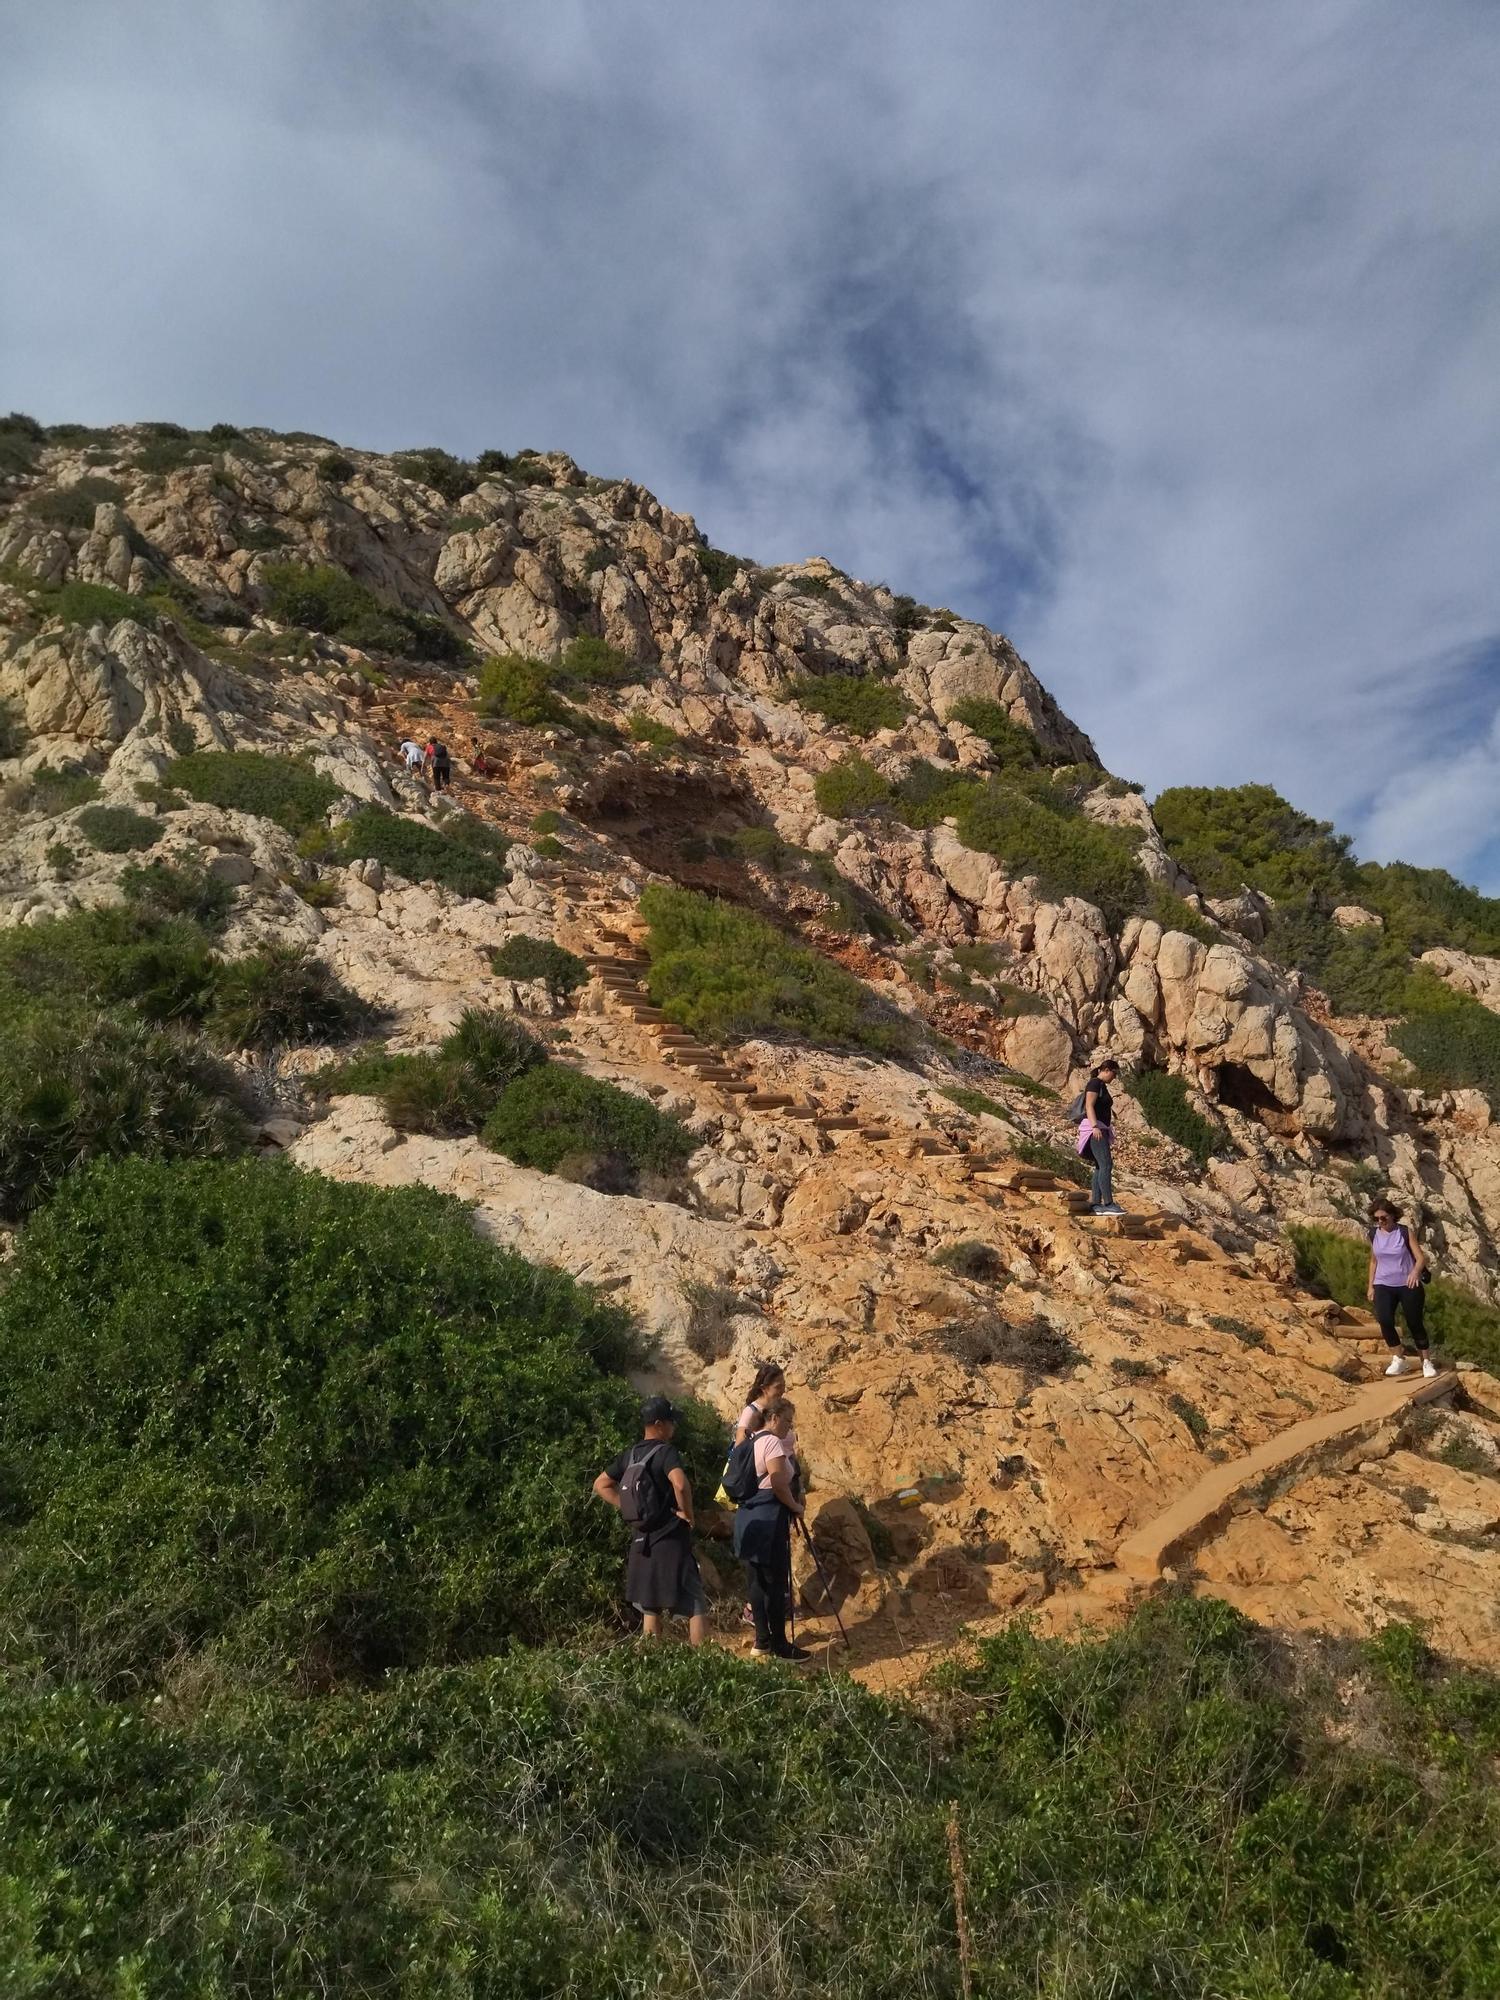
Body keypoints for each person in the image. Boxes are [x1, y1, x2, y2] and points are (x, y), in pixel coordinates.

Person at [593, 1395, 709, 1644]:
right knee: (696, 1602)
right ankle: (705, 1663)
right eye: (671, 1422)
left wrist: (626, 1506)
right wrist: (687, 1514)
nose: (674, 1427)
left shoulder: (630, 1455)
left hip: (641, 1542)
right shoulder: (666, 1452)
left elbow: (601, 1484)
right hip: (670, 1540)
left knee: (650, 1606)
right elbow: (679, 1483)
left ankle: (652, 1662)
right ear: (658, 1424)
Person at [732, 1401, 810, 1662]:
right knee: (776, 1584)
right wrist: (795, 1505)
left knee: (756, 1582)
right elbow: (778, 1480)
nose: (789, 1428)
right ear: (774, 1417)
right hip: (769, 1517)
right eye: (788, 1421)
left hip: (747, 1516)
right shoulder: (772, 1443)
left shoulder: (750, 1441)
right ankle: (780, 1645)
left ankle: (762, 1642)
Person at [1367, 1198, 1437, 1378]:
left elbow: (1420, 1258)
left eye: (1383, 1218)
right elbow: (1374, 1261)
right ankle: (1399, 1358)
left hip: (1408, 1284)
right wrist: (1371, 1286)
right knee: (1385, 1320)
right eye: (1377, 1219)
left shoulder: (1404, 1232)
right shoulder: (1373, 1234)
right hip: (1383, 1283)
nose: (1380, 1222)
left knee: (1415, 1323)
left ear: (1392, 1215)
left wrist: (1414, 1272)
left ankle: (1426, 1361)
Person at [1079, 1058, 1123, 1216]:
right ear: (1106, 1070)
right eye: (1114, 1073)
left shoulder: (1100, 1085)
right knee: (1106, 1165)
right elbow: (1089, 1105)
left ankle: (1096, 1204)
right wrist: (1095, 1126)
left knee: (1100, 1166)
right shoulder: (1095, 1083)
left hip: (1100, 1128)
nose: (1114, 1077)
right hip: (1095, 1129)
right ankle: (1108, 1204)